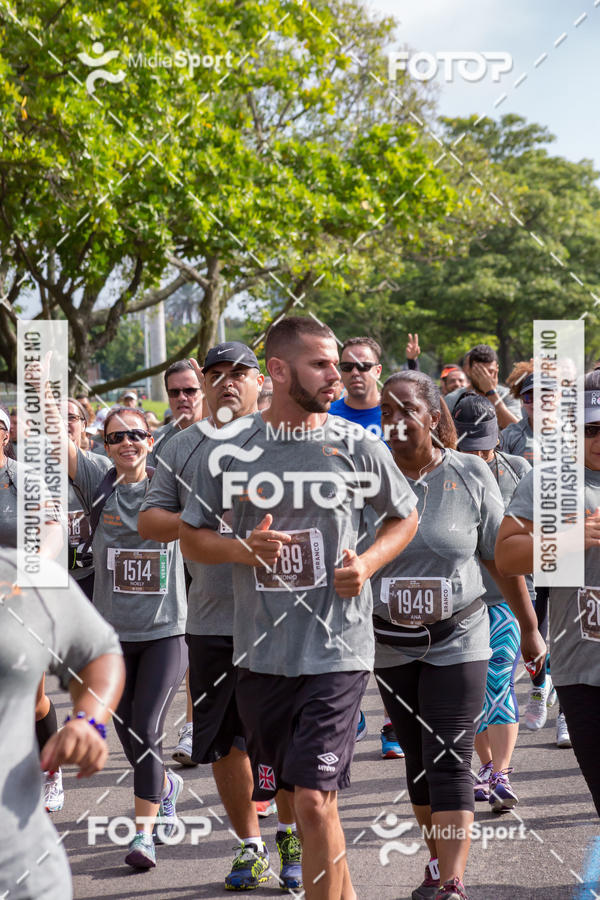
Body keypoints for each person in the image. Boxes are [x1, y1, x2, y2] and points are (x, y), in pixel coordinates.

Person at [180, 316, 418, 900]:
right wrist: (242, 549)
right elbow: (190, 536)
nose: (336, 374)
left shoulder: (359, 445)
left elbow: (404, 514)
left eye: (338, 362)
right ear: (280, 371)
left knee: (312, 799)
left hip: (338, 648)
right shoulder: (230, 451)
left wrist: (366, 563)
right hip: (260, 654)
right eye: (321, 363)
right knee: (314, 806)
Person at [371, 371, 544, 900]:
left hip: (461, 637)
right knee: (420, 764)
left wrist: (531, 628)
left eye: (408, 411)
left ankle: (452, 881)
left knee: (449, 756)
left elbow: (498, 555)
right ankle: (435, 857)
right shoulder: (367, 476)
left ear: (432, 416)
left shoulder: (469, 472)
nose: (397, 422)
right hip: (389, 642)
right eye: (388, 413)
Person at [140, 343, 303, 890]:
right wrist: (206, 525)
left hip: (282, 616)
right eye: (215, 375)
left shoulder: (288, 437)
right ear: (202, 385)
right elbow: (149, 521)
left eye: (239, 373)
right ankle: (250, 845)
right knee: (224, 743)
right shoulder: (181, 446)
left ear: (263, 381)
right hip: (211, 619)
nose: (227, 383)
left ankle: (291, 837)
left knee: (280, 742)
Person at [66, 405, 188, 869]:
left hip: (165, 631)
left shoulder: (170, 483)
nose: (127, 443)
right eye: (116, 437)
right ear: (104, 444)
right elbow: (59, 440)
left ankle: (143, 837)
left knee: (150, 727)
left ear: (151, 440)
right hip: (111, 641)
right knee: (132, 735)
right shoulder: (97, 478)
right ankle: (166, 787)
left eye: (137, 434)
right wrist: (41, 383)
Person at [495, 368, 600, 817]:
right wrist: (569, 538)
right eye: (592, 429)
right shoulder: (552, 481)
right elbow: (506, 556)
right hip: (583, 669)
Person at [0, 549, 125, 900]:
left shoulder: (21, 575)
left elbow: (98, 651)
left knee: (38, 704)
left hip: (22, 873)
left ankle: (50, 775)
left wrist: (88, 721)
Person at [452, 393, 536, 811]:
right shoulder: (443, 473)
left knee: (499, 678)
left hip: (508, 596)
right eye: (469, 447)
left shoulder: (518, 470)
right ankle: (486, 767)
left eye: (485, 445)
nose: (478, 454)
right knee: (475, 690)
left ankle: (499, 771)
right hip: (462, 601)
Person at [328, 335, 407, 758]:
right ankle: (352, 708)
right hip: (345, 542)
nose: (354, 374)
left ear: (378, 370)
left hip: (394, 536)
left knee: (394, 632)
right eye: (347, 367)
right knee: (349, 631)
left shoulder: (395, 413)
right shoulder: (327, 416)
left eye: (363, 366)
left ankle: (394, 724)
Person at [0, 405, 67, 813]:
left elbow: (53, 528)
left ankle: (50, 770)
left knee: (31, 696)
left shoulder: (23, 478)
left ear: (4, 434)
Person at [500, 364, 567, 745]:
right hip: (525, 542)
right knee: (534, 627)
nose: (537, 403)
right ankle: (541, 684)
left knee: (565, 630)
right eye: (528, 397)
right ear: (521, 401)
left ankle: (566, 715)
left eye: (545, 395)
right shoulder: (510, 436)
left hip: (565, 541)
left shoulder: (577, 435)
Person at [444, 345, 520, 429]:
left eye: (490, 371)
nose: (485, 378)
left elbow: (517, 430)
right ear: (468, 370)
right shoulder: (452, 399)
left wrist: (491, 392)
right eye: (480, 372)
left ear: (497, 369)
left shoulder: (507, 394)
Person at [149, 358, 204, 467]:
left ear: (203, 391)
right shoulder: (156, 440)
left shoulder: (222, 434)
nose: (181, 397)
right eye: (174, 392)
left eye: (189, 390)